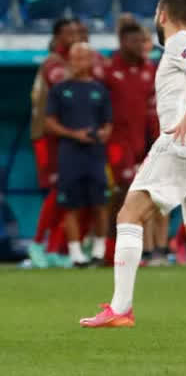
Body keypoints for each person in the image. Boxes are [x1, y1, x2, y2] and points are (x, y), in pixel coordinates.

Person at [80, 0, 186, 327]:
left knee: (129, 215)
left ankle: (121, 309)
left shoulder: (181, 42)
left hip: (179, 144)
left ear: (161, 15)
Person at [45, 42, 112, 267]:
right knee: (71, 205)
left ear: (92, 60)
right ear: (69, 60)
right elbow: (49, 122)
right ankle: (76, 254)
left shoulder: (99, 90)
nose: (80, 62)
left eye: (84, 57)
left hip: (95, 154)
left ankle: (99, 250)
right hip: (70, 154)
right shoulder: (59, 90)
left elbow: (108, 123)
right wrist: (74, 134)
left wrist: (102, 133)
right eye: (76, 57)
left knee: (100, 203)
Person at [101, 22, 159, 265]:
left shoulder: (149, 69)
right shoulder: (108, 69)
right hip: (114, 145)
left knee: (133, 197)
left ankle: (119, 252)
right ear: (123, 42)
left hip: (140, 144)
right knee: (119, 196)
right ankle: (109, 251)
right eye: (135, 41)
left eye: (142, 41)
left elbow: (151, 111)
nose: (140, 46)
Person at [27, 18, 80, 268]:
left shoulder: (67, 62)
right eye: (69, 33)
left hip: (64, 138)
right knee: (57, 190)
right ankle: (37, 244)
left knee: (67, 192)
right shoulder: (55, 64)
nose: (74, 37)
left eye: (77, 32)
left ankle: (53, 248)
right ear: (58, 36)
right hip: (48, 138)